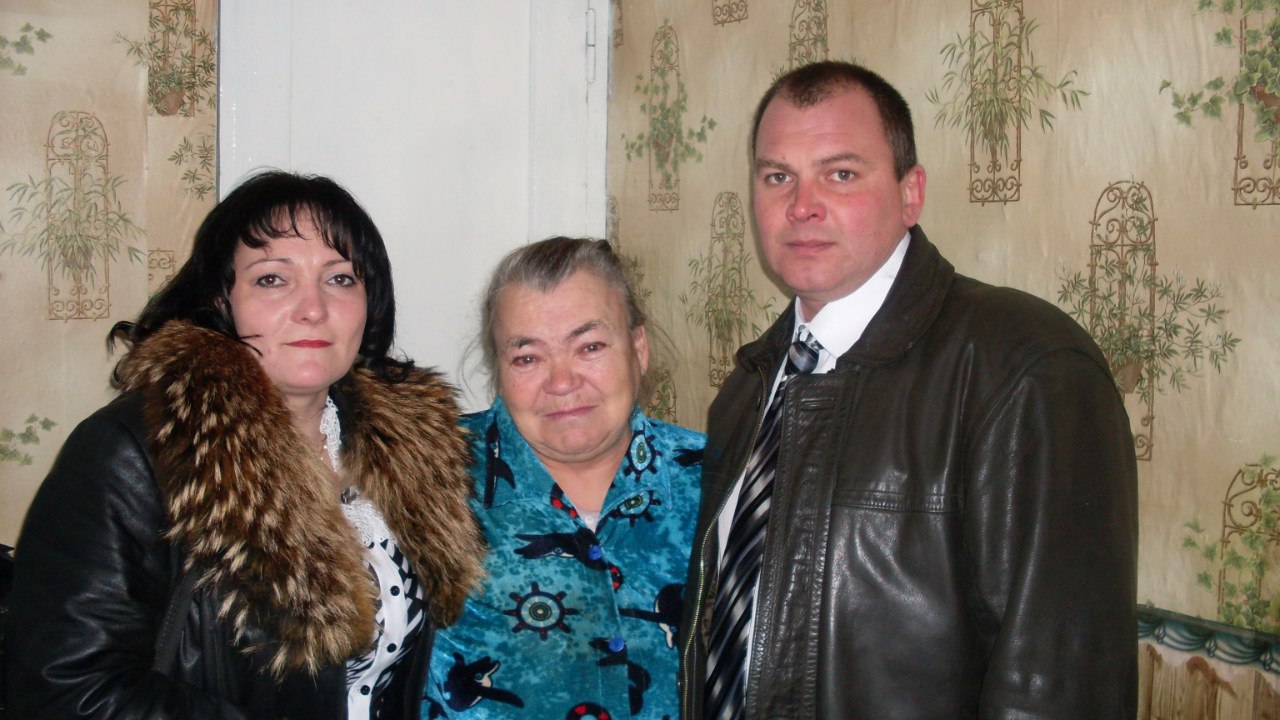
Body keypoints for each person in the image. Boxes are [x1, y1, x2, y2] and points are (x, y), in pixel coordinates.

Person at [678, 61, 1138, 719]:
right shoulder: (747, 388)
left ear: (910, 192)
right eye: (778, 176)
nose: (801, 206)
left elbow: (1059, 689)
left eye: (840, 174)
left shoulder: (1024, 369)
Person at [4, 170, 485, 719]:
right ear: (222, 299)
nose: (313, 308)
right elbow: (64, 687)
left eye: (340, 278)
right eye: (272, 279)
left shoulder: (406, 452)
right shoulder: (134, 452)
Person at [421, 237, 703, 720]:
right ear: (499, 368)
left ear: (638, 349)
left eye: (589, 347)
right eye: (528, 358)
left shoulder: (718, 484)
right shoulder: (424, 479)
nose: (562, 382)